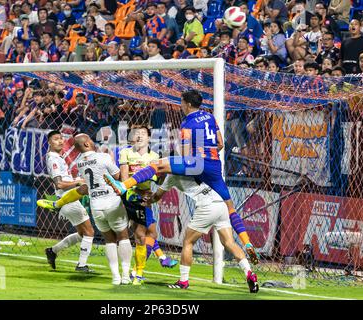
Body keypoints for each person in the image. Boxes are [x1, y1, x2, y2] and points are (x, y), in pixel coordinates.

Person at [104, 89, 259, 264]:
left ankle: (123, 186)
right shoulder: (210, 117)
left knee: (157, 165)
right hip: (214, 165)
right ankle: (247, 244)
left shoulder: (187, 122)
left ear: (188, 104)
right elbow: (221, 144)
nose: (181, 105)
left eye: (182, 102)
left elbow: (184, 151)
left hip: (196, 163)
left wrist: (185, 165)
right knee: (230, 208)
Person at [144, 174, 259, 293]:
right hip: (221, 202)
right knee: (229, 243)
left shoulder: (172, 175)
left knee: (188, 242)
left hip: (207, 205)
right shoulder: (193, 165)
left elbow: (157, 196)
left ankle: (183, 281)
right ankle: (249, 273)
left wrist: (147, 200)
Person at [119, 126, 177, 285]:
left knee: (150, 233)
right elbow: (124, 178)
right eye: (136, 134)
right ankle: (138, 272)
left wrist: (161, 177)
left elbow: (155, 179)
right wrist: (130, 193)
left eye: (143, 134)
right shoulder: (126, 152)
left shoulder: (154, 156)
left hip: (145, 198)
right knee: (142, 234)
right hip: (131, 196)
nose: (139, 136)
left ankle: (149, 264)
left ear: (149, 138)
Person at [74, 134, 132, 285]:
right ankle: (125, 275)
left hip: (96, 206)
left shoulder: (79, 163)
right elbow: (118, 177)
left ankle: (115, 277)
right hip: (112, 201)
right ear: (86, 144)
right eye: (90, 140)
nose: (93, 142)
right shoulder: (104, 157)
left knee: (109, 240)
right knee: (123, 236)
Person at [43, 130, 95, 272]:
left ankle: (52, 251)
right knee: (89, 232)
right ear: (49, 142)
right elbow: (58, 184)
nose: (60, 141)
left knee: (81, 234)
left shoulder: (58, 157)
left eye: (61, 139)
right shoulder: (53, 159)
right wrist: (77, 183)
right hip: (67, 199)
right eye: (55, 139)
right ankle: (82, 265)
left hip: (70, 198)